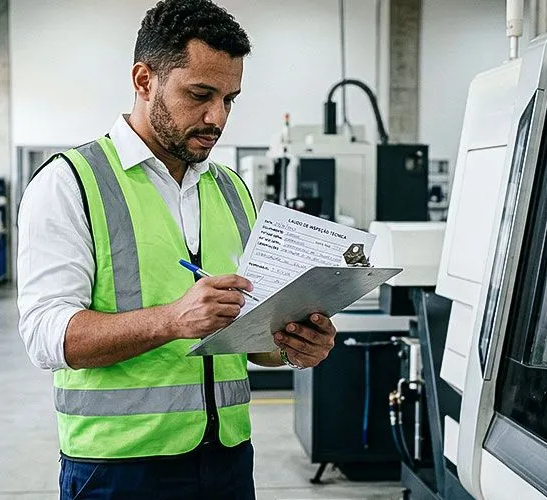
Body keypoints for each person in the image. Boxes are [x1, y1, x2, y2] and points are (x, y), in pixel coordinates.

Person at [17, 1, 338, 498]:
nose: (217, 117)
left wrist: (293, 347)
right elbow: (45, 337)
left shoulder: (233, 191)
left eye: (230, 99)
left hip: (227, 458)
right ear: (145, 80)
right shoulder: (70, 183)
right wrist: (171, 320)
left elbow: (253, 338)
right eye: (200, 94)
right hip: (118, 465)